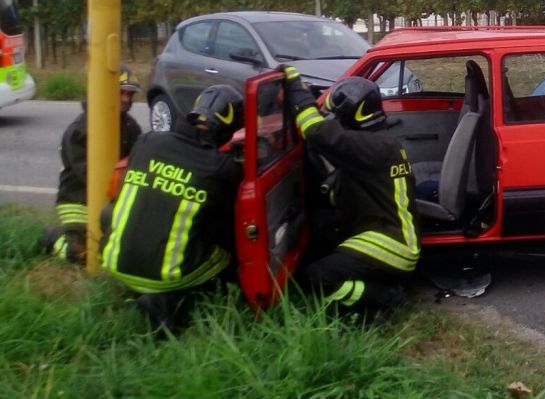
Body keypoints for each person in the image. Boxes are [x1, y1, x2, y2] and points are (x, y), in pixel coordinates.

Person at [101, 85, 244, 332]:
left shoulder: (147, 141)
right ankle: (178, 300)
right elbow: (226, 221)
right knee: (229, 250)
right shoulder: (222, 168)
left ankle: (138, 286)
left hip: (113, 262)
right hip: (168, 277)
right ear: (229, 128)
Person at [279, 65, 419, 313]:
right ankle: (380, 287)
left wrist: (294, 86)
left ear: (352, 114)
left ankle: (385, 297)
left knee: (317, 278)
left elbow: (316, 131)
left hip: (389, 243)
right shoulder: (379, 141)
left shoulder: (370, 146)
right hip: (393, 237)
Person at [41, 66, 143, 265]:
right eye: (121, 92)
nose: (126, 99)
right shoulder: (81, 130)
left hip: (112, 198)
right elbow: (88, 175)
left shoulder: (131, 127)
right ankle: (53, 237)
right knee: (83, 256)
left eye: (130, 93)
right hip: (78, 199)